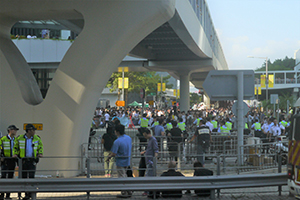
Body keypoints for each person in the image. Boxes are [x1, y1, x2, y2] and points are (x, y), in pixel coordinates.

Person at [13, 124, 43, 200]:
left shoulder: (37, 138)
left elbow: (40, 146)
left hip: (32, 160)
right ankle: (26, 194)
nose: (34, 132)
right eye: (33, 130)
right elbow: (15, 147)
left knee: (31, 177)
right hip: (23, 161)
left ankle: (30, 193)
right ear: (28, 131)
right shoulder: (20, 138)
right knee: (24, 178)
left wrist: (40, 153)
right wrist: (15, 154)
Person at [108, 124, 132, 198]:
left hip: (120, 161)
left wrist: (109, 156)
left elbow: (114, 153)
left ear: (117, 131)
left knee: (122, 177)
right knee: (126, 176)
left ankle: (124, 192)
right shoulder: (129, 138)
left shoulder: (117, 141)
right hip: (128, 160)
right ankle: (129, 191)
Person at [0, 125, 19, 200]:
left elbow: (18, 149)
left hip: (12, 160)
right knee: (3, 177)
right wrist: (1, 156)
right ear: (10, 130)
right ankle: (1, 194)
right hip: (4, 160)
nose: (15, 131)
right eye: (14, 130)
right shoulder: (3, 139)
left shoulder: (16, 140)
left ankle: (8, 195)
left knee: (10, 177)